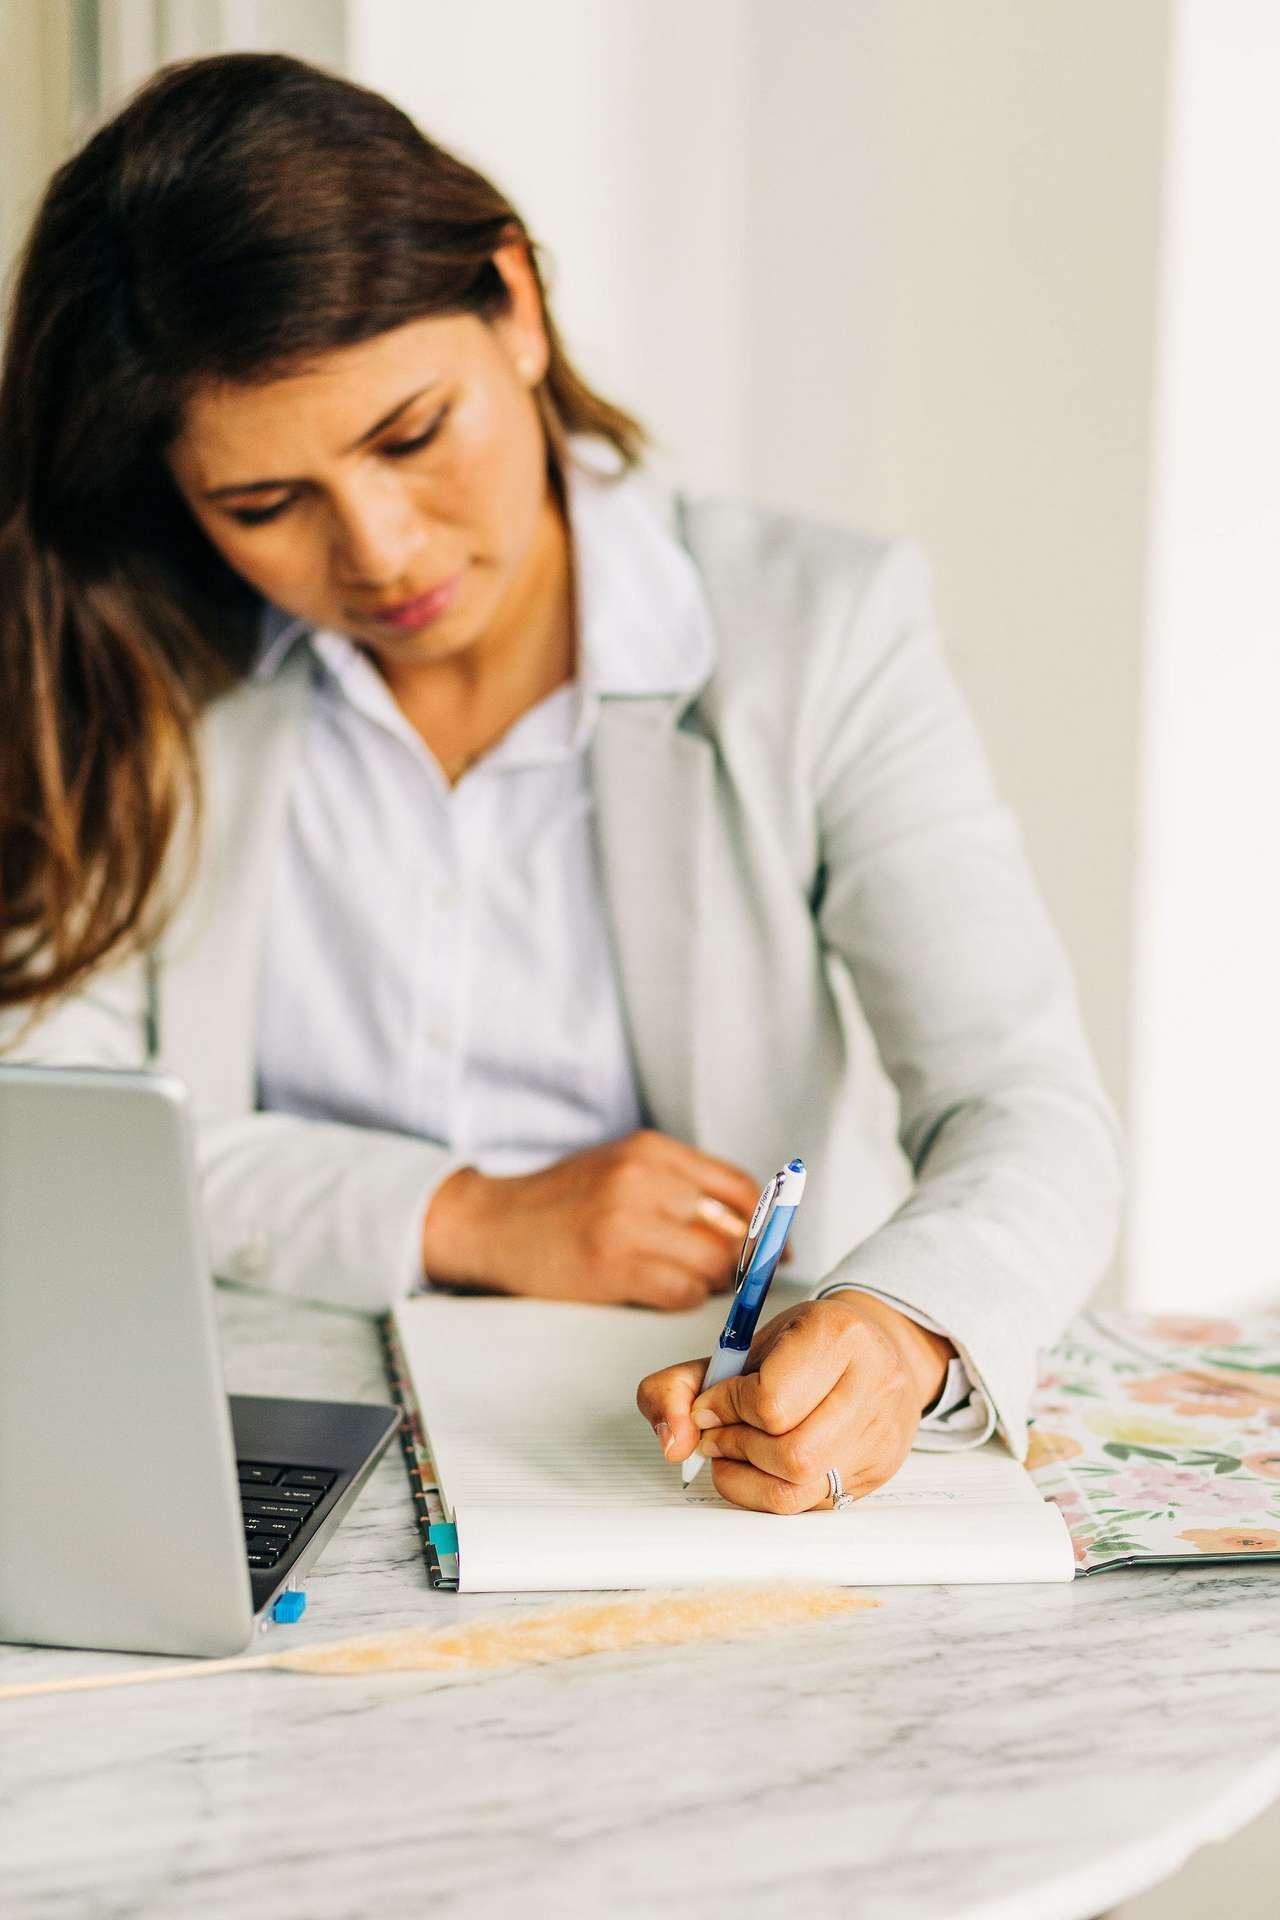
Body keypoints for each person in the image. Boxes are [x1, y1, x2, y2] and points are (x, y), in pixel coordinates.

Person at [0, 53, 1121, 1515]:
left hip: (679, 1455)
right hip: (244, 1453)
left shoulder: (819, 631)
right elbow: (56, 1135)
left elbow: (1025, 1104)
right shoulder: (129, 656)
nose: (382, 551)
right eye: (263, 504)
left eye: (410, 436)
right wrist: (469, 1217)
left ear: (517, 306)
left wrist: (905, 1326)